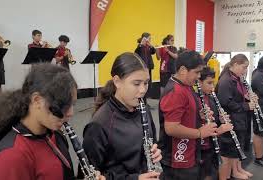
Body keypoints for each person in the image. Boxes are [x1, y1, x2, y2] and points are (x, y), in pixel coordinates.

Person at [0, 64, 104, 180]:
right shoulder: (10, 158)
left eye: (72, 104)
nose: (71, 113)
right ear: (37, 100)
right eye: (63, 105)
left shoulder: (54, 133)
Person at [82, 52, 162, 180]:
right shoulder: (98, 125)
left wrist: (156, 153)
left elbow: (153, 144)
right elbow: (90, 175)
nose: (142, 90)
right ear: (117, 81)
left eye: (146, 83)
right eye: (136, 84)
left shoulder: (144, 110)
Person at [158, 50, 217, 180]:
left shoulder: (186, 86)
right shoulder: (176, 92)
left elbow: (185, 112)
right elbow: (171, 128)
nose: (198, 76)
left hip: (189, 152)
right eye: (196, 72)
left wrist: (199, 115)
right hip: (177, 157)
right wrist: (200, 133)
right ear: (183, 70)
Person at [216, 54, 255, 179]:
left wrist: (248, 98)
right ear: (235, 64)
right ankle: (234, 171)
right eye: (244, 67)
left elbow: (237, 96)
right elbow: (226, 102)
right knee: (232, 148)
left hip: (239, 118)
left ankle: (238, 168)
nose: (245, 71)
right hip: (232, 118)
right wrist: (246, 106)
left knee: (238, 145)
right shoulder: (226, 80)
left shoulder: (236, 78)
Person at [197, 67, 233, 180]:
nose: (212, 87)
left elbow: (214, 121)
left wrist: (221, 120)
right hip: (201, 147)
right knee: (205, 175)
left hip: (212, 145)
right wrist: (219, 130)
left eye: (213, 83)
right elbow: (198, 128)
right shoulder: (195, 100)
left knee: (212, 172)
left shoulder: (211, 99)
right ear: (199, 82)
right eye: (209, 83)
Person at [135, 32, 156, 101]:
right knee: (143, 84)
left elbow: (153, 51)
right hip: (142, 69)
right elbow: (136, 52)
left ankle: (145, 101)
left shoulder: (148, 47)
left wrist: (150, 45)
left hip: (148, 68)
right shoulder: (140, 46)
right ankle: (142, 101)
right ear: (145, 39)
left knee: (148, 85)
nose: (150, 40)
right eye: (149, 39)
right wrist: (141, 44)